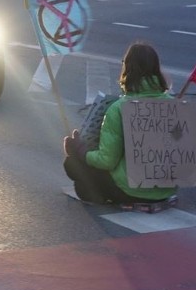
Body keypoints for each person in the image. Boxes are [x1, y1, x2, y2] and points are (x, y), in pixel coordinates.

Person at [63, 42, 178, 204]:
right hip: (167, 189)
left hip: (130, 191)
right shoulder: (175, 105)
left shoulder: (119, 109)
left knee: (72, 163)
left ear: (127, 69)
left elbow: (107, 161)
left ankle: (100, 195)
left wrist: (80, 151)